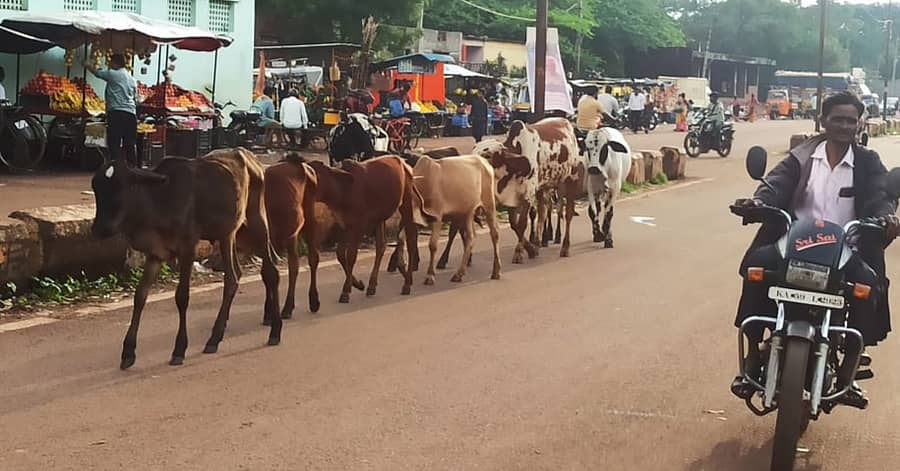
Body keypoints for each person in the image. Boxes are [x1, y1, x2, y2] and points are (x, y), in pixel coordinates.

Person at [731, 91, 900, 405]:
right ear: (823, 121)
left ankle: (850, 368)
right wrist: (758, 203)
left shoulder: (868, 162)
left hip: (844, 250)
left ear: (860, 124)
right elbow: (776, 183)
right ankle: (753, 355)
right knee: (755, 270)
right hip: (794, 242)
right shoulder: (802, 156)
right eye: (838, 119)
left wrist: (886, 216)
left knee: (867, 285)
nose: (845, 126)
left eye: (851, 120)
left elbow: (880, 193)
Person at [85, 54, 137, 165]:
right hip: (131, 114)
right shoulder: (132, 79)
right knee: (130, 143)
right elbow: (135, 97)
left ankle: (115, 167)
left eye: (110, 62)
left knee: (114, 142)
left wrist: (87, 65)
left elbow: (97, 73)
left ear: (115, 63)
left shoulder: (114, 74)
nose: (109, 65)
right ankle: (133, 168)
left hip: (117, 113)